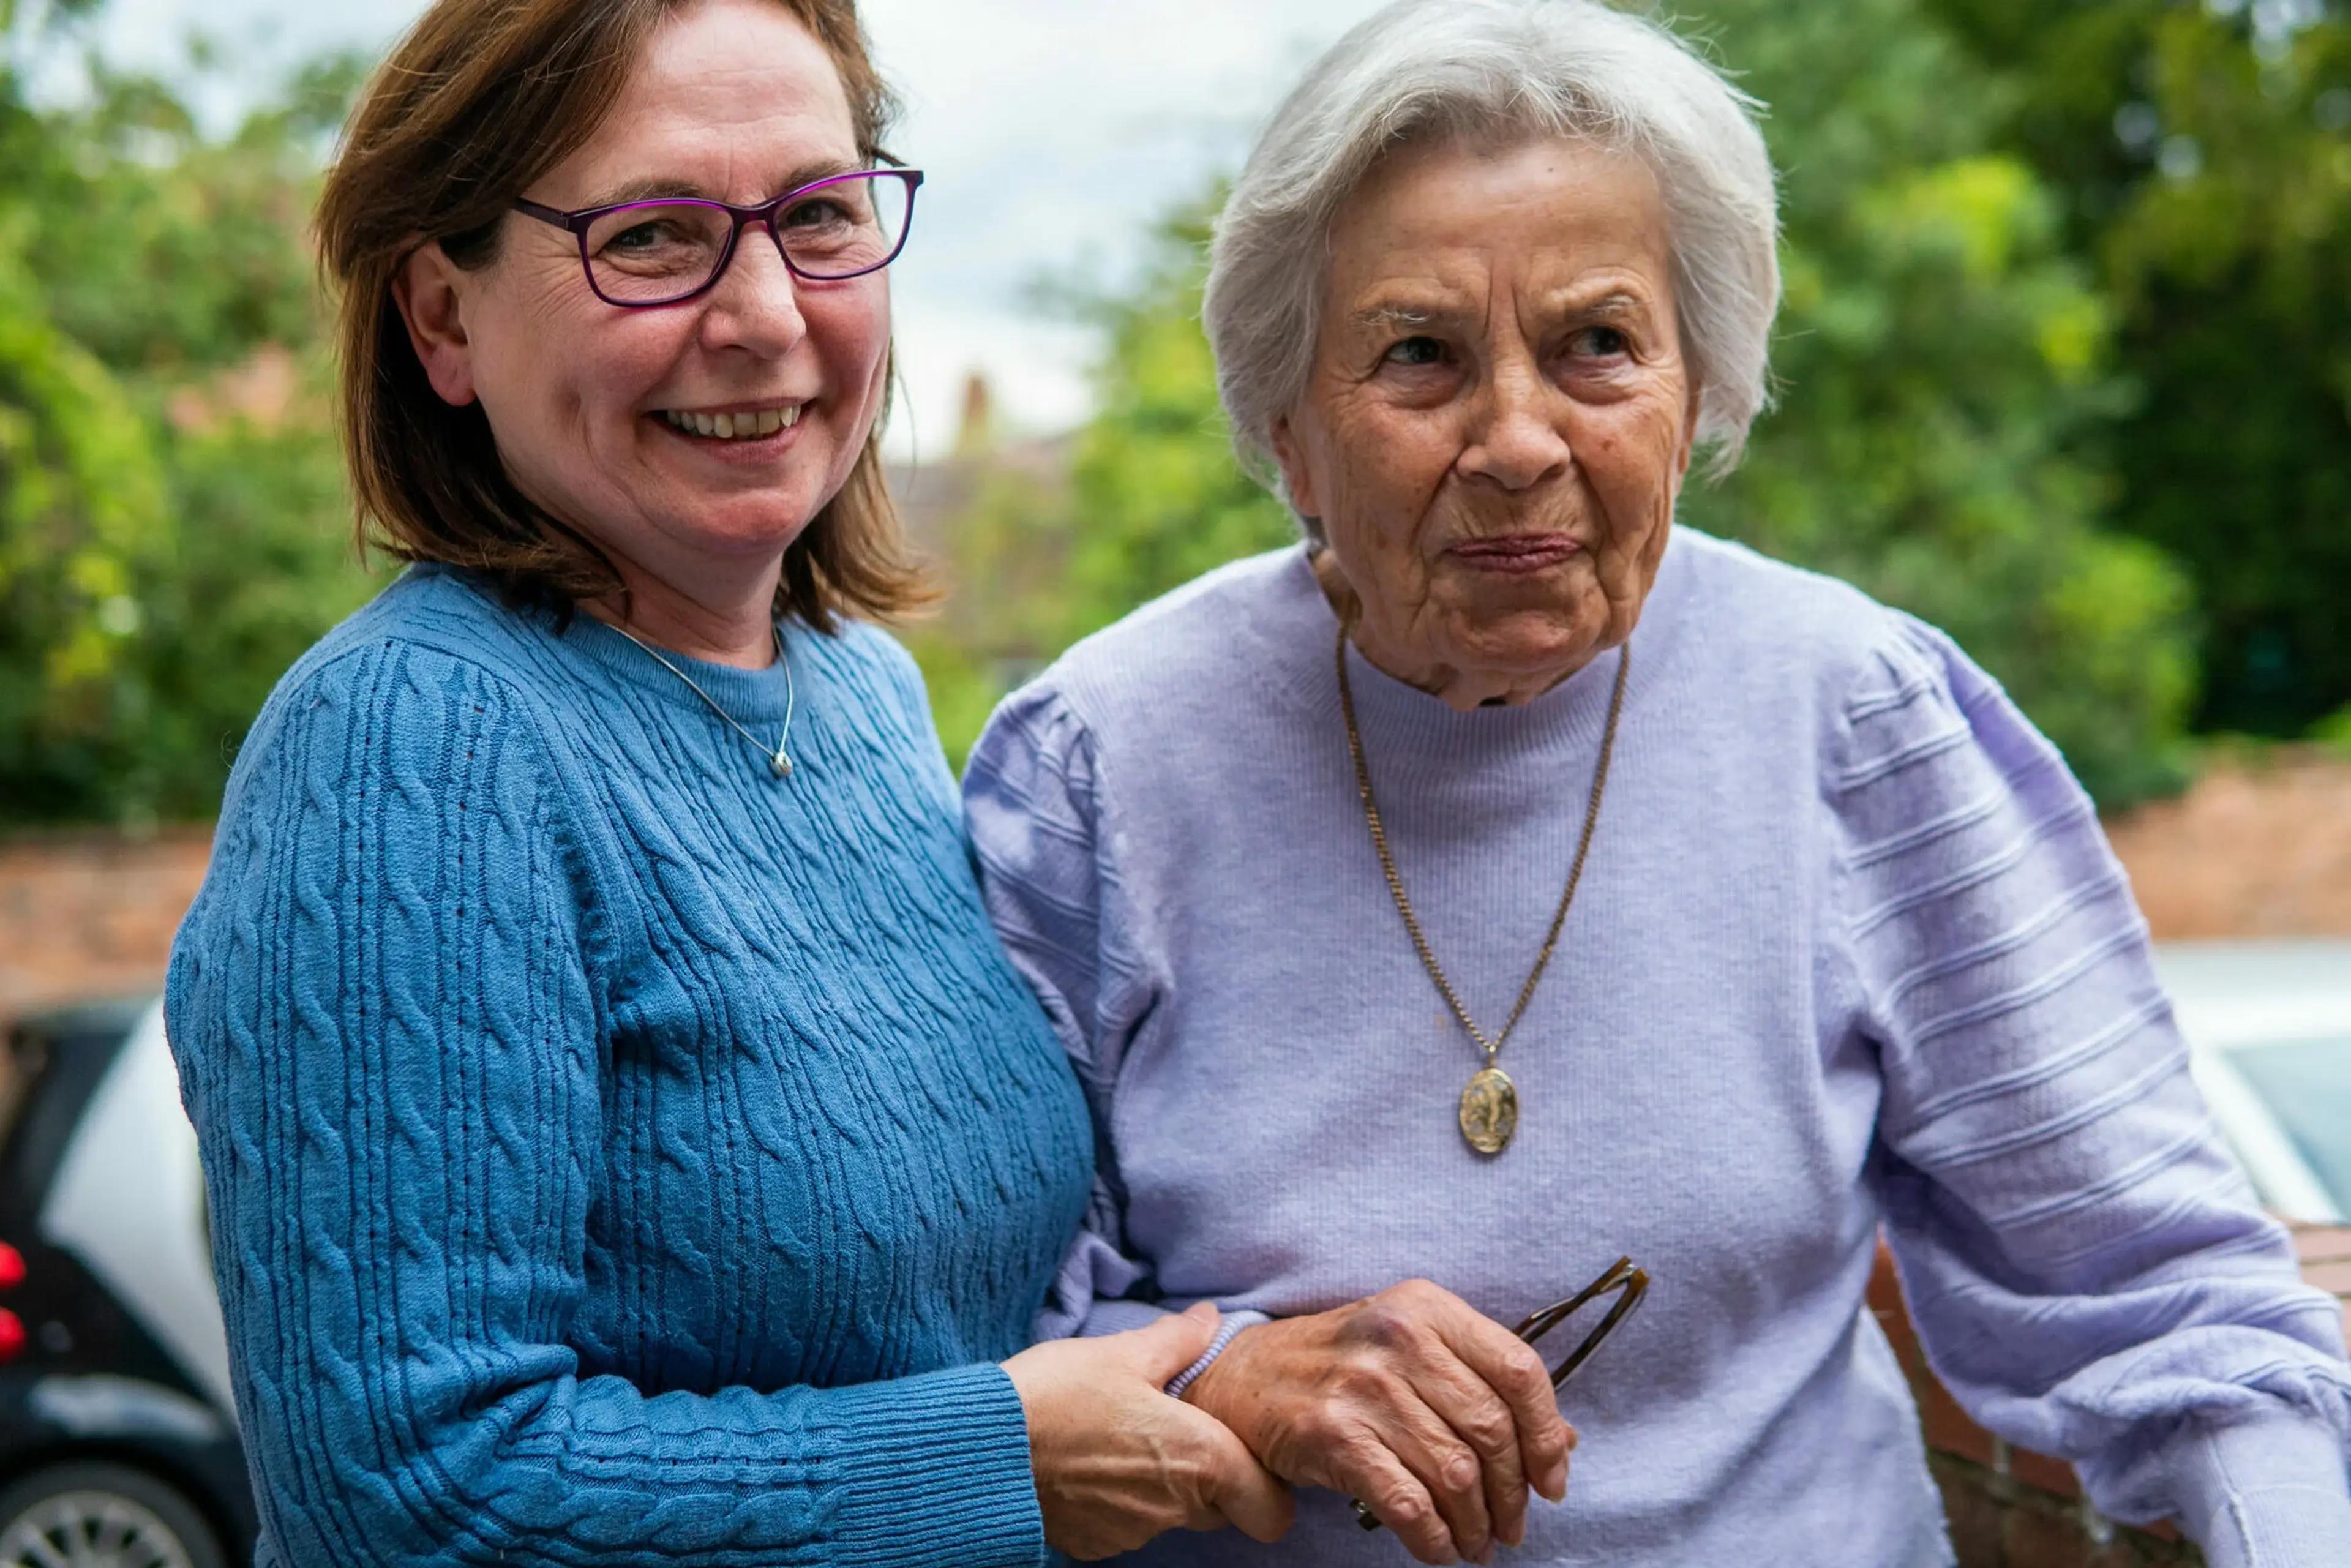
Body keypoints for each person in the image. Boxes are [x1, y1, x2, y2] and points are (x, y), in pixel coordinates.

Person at [962, 2, 2351, 1564]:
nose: (1517, 439)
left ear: (1701, 394)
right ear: (1286, 427)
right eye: (1419, 355)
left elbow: (2169, 1295)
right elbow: (983, 1328)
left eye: (1597, 346)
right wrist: (1232, 1375)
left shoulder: (1859, 721)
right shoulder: (1098, 766)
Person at [160, 1, 1303, 1562]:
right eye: (653, 237)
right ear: (442, 316)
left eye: (819, 216)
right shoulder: (410, 745)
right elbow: (415, 1497)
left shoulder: (869, 702)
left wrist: (1261, 1367)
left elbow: (989, 1317)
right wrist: (990, 1473)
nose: (767, 311)